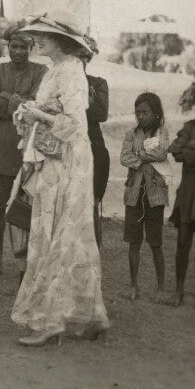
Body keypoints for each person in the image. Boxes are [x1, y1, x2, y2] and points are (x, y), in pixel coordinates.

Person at [10, 10, 109, 346]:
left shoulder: (70, 71)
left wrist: (36, 112)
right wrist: (29, 114)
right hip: (55, 156)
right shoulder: (57, 69)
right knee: (71, 231)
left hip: (66, 160)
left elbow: (75, 124)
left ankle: (50, 319)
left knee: (57, 231)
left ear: (61, 40)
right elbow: (55, 113)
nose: (37, 40)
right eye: (37, 34)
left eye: (44, 35)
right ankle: (93, 314)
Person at [0, 24, 47, 277]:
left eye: (23, 47)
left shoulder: (40, 71)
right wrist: (20, 102)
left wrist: (7, 96)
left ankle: (30, 263)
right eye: (14, 46)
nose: (18, 51)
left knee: (30, 204)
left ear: (31, 48)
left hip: (30, 147)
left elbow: (38, 106)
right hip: (1, 146)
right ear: (7, 47)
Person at [120, 92, 171, 303]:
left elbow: (162, 153)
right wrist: (145, 158)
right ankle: (134, 286)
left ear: (156, 113)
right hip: (134, 194)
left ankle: (161, 288)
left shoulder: (162, 132)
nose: (140, 116)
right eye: (137, 112)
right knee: (134, 242)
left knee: (155, 243)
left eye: (145, 112)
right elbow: (124, 157)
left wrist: (138, 154)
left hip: (155, 196)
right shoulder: (131, 133)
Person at [167, 78, 195, 310]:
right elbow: (176, 150)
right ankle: (179, 290)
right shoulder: (190, 126)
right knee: (182, 242)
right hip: (188, 193)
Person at [80, 37, 110, 248]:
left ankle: (93, 253)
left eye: (83, 56)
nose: (79, 61)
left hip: (92, 147)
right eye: (75, 56)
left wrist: (82, 105)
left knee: (91, 203)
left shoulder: (98, 83)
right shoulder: (58, 81)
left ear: (88, 58)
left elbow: (101, 113)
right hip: (66, 146)